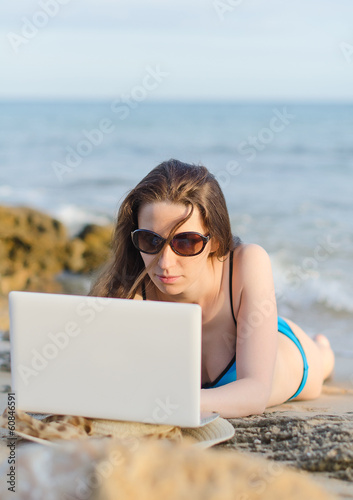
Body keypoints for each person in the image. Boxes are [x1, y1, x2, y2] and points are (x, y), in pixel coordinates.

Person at [89, 159, 335, 418]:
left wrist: (165, 404)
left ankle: (323, 348)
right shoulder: (129, 293)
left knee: (322, 361)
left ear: (216, 240)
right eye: (150, 240)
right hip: (244, 336)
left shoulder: (247, 262)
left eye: (185, 242)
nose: (164, 263)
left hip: (280, 347)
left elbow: (255, 395)